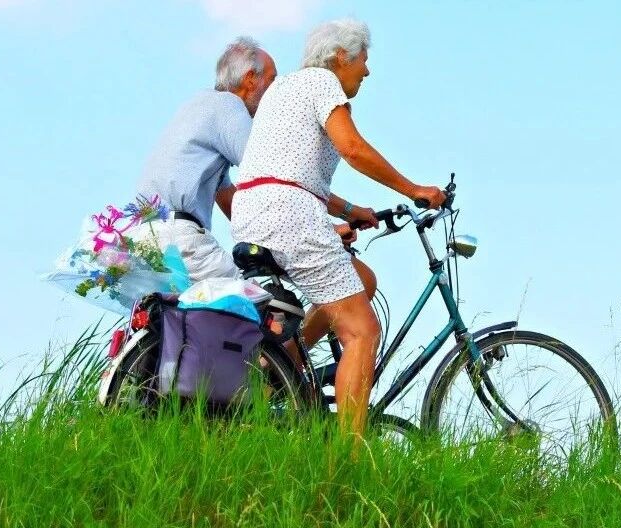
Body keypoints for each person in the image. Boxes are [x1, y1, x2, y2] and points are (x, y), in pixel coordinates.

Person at [230, 18, 446, 435]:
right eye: (364, 60)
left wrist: (349, 210)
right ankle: (348, 462)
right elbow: (352, 147)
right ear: (341, 56)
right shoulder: (322, 82)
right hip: (288, 214)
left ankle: (283, 368)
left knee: (361, 280)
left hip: (255, 210)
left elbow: (287, 168)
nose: (366, 71)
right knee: (362, 331)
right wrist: (413, 188)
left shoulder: (285, 89)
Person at [133, 37, 276, 282]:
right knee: (259, 306)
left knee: (182, 317)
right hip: (179, 239)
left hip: (144, 239)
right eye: (272, 80)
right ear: (250, 78)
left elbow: (228, 197)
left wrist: (273, 237)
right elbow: (271, 172)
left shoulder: (198, 105)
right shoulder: (229, 106)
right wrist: (319, 229)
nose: (275, 92)